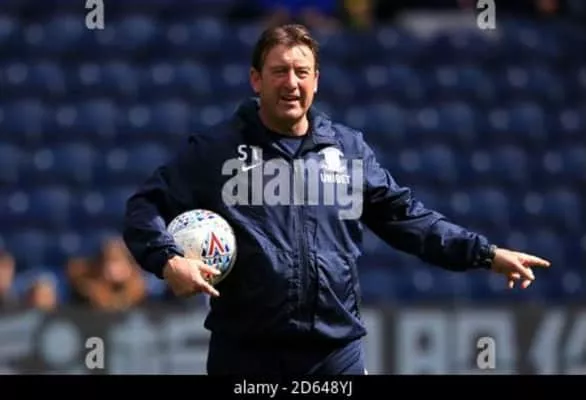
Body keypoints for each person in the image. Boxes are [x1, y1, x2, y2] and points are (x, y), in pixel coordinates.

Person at [122, 23, 551, 375]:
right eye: (279, 71)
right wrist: (168, 260)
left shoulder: (347, 151)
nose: (291, 83)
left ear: (316, 80)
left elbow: (408, 220)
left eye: (302, 72)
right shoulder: (216, 151)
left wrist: (485, 254)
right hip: (245, 354)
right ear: (256, 79)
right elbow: (145, 206)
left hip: (333, 354)